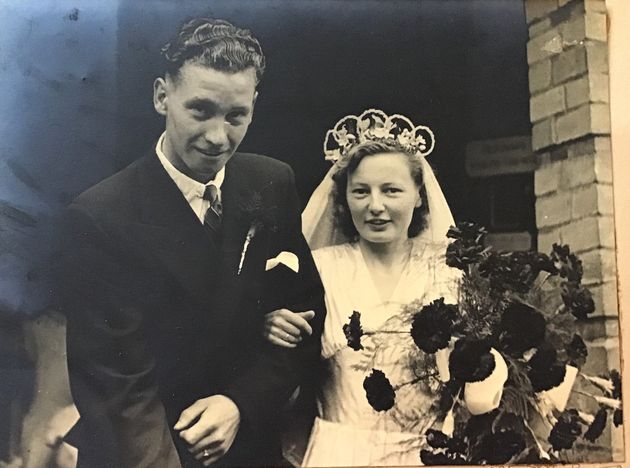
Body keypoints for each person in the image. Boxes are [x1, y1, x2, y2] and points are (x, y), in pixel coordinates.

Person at [55, 17, 325, 468]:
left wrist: (240, 403)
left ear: (254, 105)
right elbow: (119, 387)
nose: (219, 137)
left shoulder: (272, 183)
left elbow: (304, 320)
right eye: (200, 110)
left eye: (236, 116)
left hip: (248, 444)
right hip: (146, 451)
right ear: (162, 96)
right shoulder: (101, 216)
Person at [264, 109, 460, 466]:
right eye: (361, 191)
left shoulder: (450, 273)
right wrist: (270, 326)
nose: (375, 206)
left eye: (391, 190)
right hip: (339, 453)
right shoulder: (319, 269)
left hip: (430, 455)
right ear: (345, 198)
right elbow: (282, 370)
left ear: (418, 195)